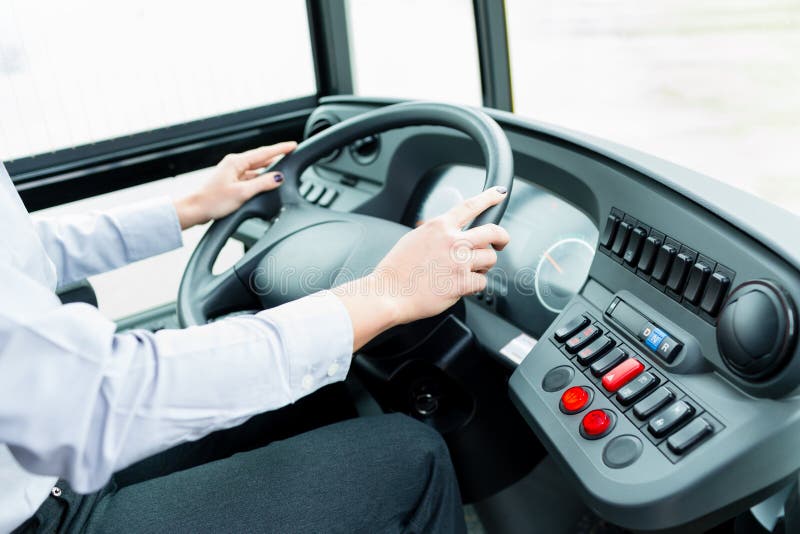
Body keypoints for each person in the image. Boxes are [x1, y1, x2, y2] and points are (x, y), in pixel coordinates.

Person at [0, 141, 510, 533]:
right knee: (412, 458)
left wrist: (189, 207)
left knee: (321, 396)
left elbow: (23, 255)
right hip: (45, 510)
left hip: (42, 464)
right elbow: (103, 397)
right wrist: (384, 294)